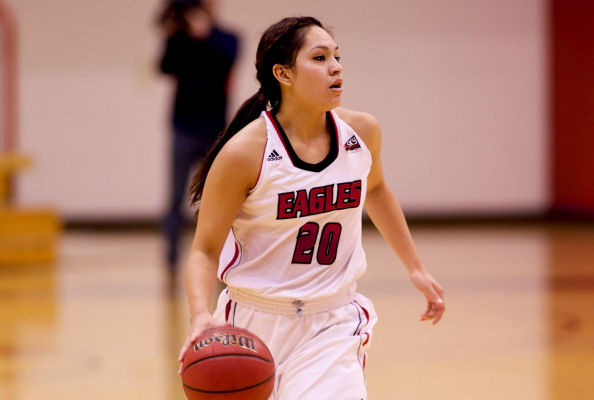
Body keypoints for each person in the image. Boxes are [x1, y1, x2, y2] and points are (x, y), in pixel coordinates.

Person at [177, 16, 445, 399]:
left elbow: (378, 188)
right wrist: (201, 315)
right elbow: (204, 250)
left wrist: (416, 267)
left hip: (331, 322)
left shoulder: (361, 133)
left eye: (337, 56)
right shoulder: (245, 153)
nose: (336, 67)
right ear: (283, 74)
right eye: (319, 58)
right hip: (254, 324)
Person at [157, 0, 238, 273]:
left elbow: (229, 57)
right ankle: (170, 260)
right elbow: (164, 66)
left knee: (219, 197)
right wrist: (176, 33)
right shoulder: (180, 40)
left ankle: (224, 255)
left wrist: (205, 34)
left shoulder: (227, 38)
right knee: (175, 197)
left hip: (216, 130)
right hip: (182, 128)